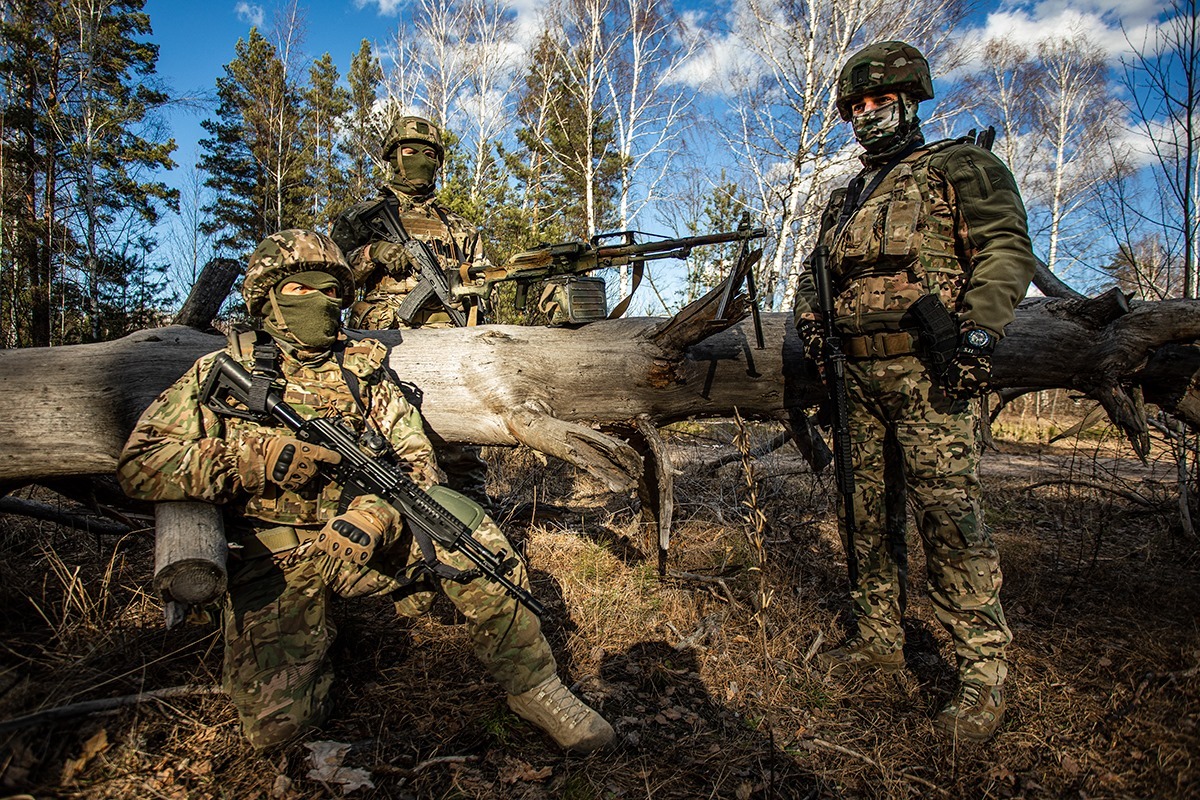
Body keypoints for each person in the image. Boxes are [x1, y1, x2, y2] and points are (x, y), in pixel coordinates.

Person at [117, 229, 613, 753]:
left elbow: (418, 464)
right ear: (268, 300)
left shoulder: (364, 373)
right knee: (280, 730)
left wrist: (376, 514)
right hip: (276, 554)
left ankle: (536, 685)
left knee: (468, 534)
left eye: (334, 291)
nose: (324, 302)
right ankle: (316, 639)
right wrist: (255, 461)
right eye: (304, 290)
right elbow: (141, 465)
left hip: (369, 535)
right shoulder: (221, 374)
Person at [793, 41, 1037, 742]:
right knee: (865, 511)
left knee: (949, 520)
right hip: (855, 377)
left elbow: (1004, 250)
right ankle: (878, 637)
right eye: (859, 107)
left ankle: (981, 672)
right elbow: (817, 276)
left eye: (881, 103)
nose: (869, 116)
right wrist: (813, 328)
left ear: (910, 102)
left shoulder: (960, 166)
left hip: (930, 374)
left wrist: (980, 335)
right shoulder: (846, 196)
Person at [331, 114, 490, 509]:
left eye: (429, 153)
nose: (420, 159)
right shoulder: (361, 218)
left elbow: (481, 287)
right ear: (392, 157)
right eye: (409, 151)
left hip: (447, 346)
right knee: (380, 438)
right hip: (383, 347)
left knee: (460, 446)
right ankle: (379, 515)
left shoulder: (459, 227)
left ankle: (473, 517)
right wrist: (372, 254)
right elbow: (331, 281)